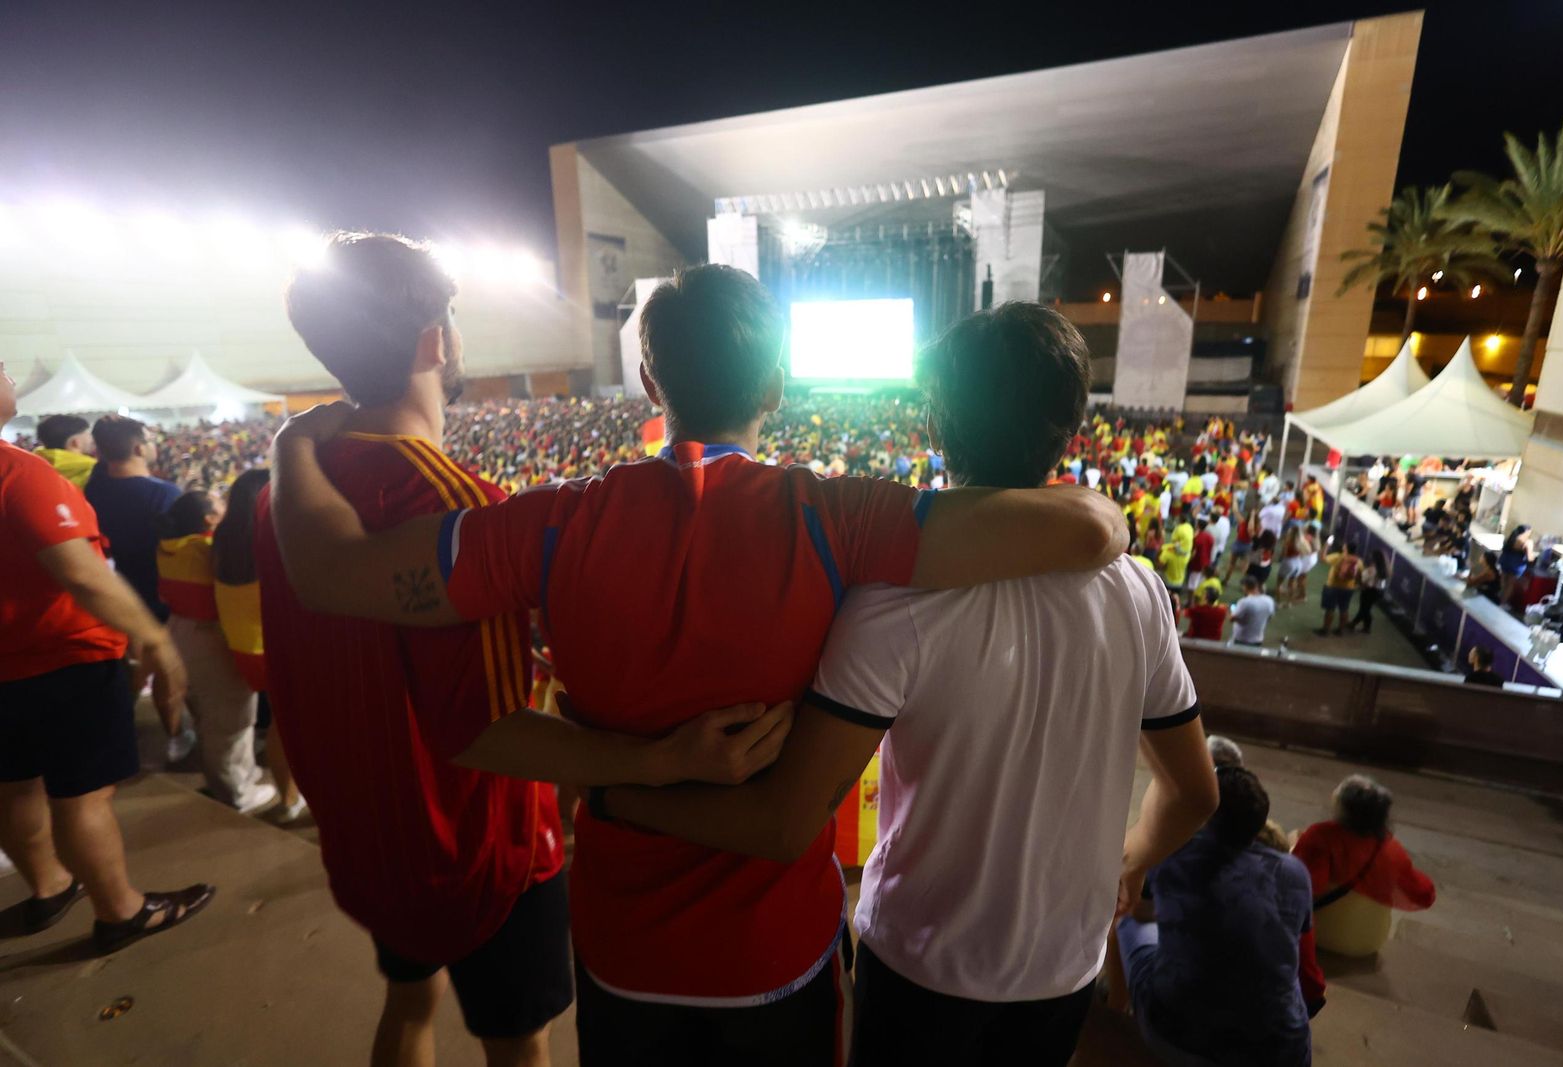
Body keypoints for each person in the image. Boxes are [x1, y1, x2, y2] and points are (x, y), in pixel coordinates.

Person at [268, 263, 1130, 1064]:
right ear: (777, 389)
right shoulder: (837, 516)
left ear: (652, 383)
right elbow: (1089, 529)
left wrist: (291, 447)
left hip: (621, 942)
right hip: (777, 951)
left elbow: (332, 575)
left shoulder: (547, 524)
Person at [571, 302, 1220, 1066]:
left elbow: (785, 820)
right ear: (1072, 428)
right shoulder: (1137, 591)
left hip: (920, 961)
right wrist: (1126, 862)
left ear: (937, 426)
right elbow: (1194, 792)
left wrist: (614, 793)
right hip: (1062, 965)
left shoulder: (892, 605)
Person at [262, 236, 817, 1067]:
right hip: (480, 850)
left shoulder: (295, 500)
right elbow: (486, 726)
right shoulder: (460, 505)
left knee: (409, 1003)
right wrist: (658, 760)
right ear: (436, 341)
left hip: (371, 834)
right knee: (520, 1044)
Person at [0, 361, 215, 955]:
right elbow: (83, 575)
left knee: (15, 785)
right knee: (83, 795)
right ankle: (120, 912)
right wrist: (154, 637)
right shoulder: (20, 474)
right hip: (62, 658)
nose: (10, 376)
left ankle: (48, 887)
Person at [1116, 765, 1324, 1067]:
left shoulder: (1174, 855)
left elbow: (1143, 911)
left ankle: (1115, 1007)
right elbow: (1296, 942)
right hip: (1283, 1052)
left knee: (1126, 917)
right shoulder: (1293, 872)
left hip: (1178, 1039)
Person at [157, 490, 276, 813]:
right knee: (230, 720)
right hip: (209, 637)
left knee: (207, 714)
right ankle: (236, 792)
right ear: (208, 518)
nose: (226, 504)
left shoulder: (171, 547)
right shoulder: (208, 551)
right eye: (220, 502)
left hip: (179, 632)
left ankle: (228, 777)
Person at [212, 469, 303, 822]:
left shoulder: (223, 537)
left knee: (282, 724)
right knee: (299, 727)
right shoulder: (276, 536)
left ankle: (289, 800)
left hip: (244, 650)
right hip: (278, 648)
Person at [1292, 775, 1436, 958]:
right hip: (1370, 940)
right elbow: (1424, 894)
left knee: (1292, 842)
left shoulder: (1322, 835)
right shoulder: (1392, 849)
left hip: (1320, 933)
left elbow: (1309, 885)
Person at [83, 415, 183, 620]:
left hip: (117, 594)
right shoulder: (164, 494)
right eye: (150, 440)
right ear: (139, 449)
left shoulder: (92, 489)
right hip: (158, 597)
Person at [1315, 537, 1363, 637]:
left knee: (1330, 609)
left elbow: (1323, 558)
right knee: (1344, 609)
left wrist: (1326, 545)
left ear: (1346, 548)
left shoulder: (1338, 557)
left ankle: (1325, 630)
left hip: (1332, 586)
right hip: (1348, 589)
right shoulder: (1359, 562)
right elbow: (1359, 577)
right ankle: (1340, 630)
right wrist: (1355, 585)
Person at [33, 413, 97, 488]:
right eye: (88, 434)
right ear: (76, 442)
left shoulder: (34, 469)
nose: (92, 439)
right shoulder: (93, 472)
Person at [1231, 576, 1276, 648]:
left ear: (1245, 587)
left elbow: (1233, 618)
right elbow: (1270, 617)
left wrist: (1233, 610)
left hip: (1242, 638)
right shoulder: (1269, 600)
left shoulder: (1244, 602)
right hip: (1258, 639)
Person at [1350, 550, 1389, 634]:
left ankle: (1356, 625)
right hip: (1377, 592)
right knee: (1366, 609)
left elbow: (1363, 581)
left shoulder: (1372, 569)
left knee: (1364, 609)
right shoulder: (1384, 569)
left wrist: (1359, 577)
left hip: (1368, 591)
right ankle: (1362, 626)